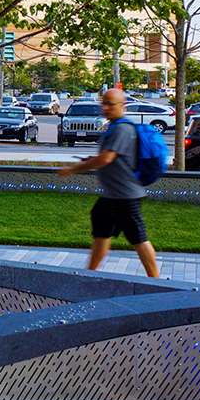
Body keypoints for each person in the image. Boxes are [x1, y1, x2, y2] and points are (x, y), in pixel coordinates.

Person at [58, 87, 160, 278]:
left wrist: (72, 170)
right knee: (101, 229)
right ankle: (90, 273)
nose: (105, 108)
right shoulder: (115, 127)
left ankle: (157, 281)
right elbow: (112, 158)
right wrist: (90, 159)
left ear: (122, 105)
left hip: (125, 195)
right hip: (112, 194)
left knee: (138, 238)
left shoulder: (122, 128)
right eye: (103, 103)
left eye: (110, 104)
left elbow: (106, 158)